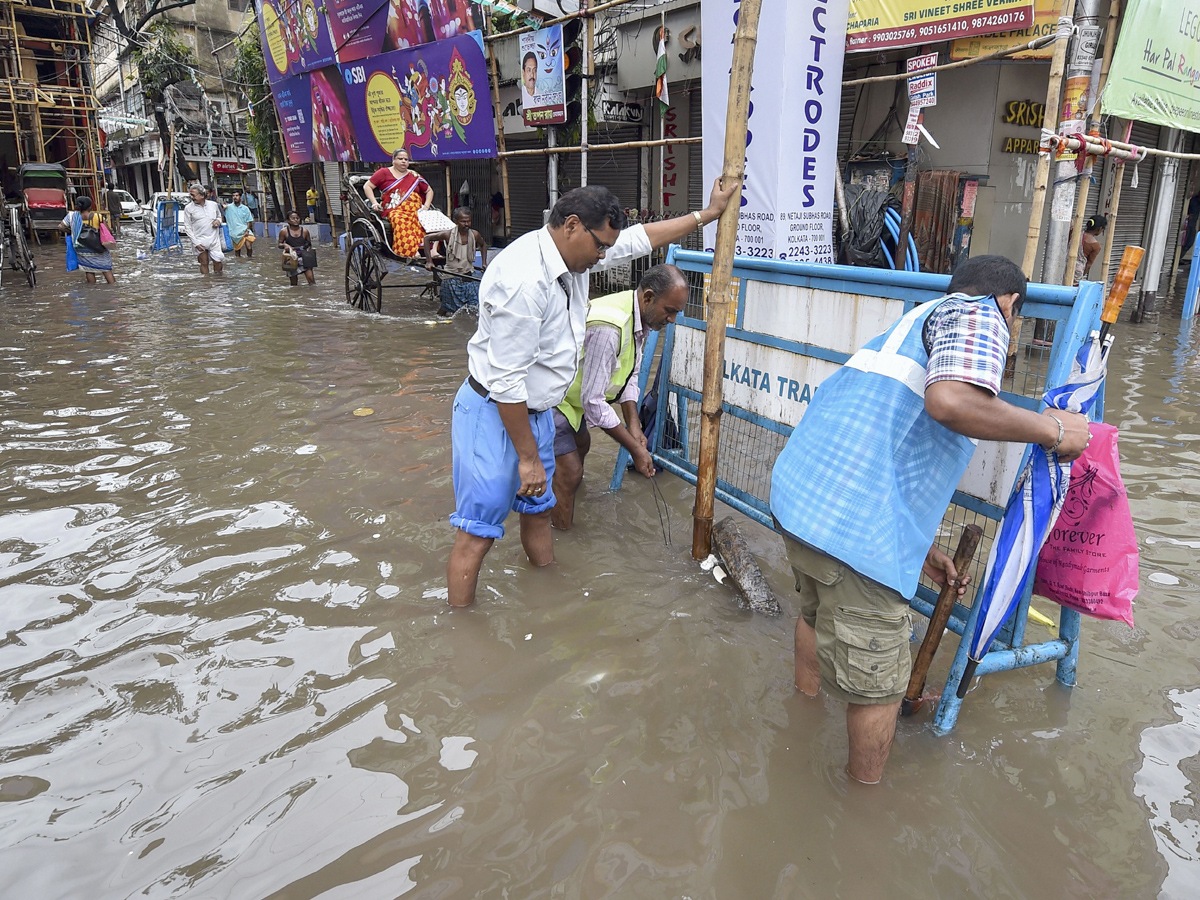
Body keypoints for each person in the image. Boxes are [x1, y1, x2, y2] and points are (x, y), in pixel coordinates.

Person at [768, 255, 1091, 786]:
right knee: (880, 687)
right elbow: (949, 402)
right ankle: (862, 811)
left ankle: (800, 720)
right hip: (851, 529)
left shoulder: (915, 321)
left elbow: (876, 442)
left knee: (814, 613)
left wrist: (918, 550)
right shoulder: (982, 313)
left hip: (802, 501)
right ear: (1010, 305)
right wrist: (1052, 431)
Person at [446, 178, 738, 608]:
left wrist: (705, 216)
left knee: (539, 510)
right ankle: (462, 634)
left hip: (539, 412)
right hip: (494, 411)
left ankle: (549, 595)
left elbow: (637, 240)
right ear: (572, 226)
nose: (604, 256)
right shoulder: (525, 279)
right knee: (478, 534)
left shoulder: (574, 256)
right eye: (600, 246)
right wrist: (527, 457)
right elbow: (506, 381)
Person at [550, 264, 689, 530]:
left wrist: (634, 426)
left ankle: (562, 501)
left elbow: (629, 375)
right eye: (670, 311)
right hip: (556, 399)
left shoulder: (639, 317)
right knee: (570, 471)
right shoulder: (610, 328)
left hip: (574, 401)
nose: (672, 320)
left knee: (581, 446)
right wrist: (635, 449)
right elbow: (594, 402)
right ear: (648, 297)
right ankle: (563, 535)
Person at [363, 148, 433, 258]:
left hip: (416, 209)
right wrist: (374, 203)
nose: (404, 161)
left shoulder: (414, 175)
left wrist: (426, 206)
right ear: (393, 160)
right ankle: (412, 252)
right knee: (400, 221)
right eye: (400, 159)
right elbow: (367, 186)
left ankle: (432, 250)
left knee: (432, 219)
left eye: (406, 159)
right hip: (395, 209)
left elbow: (429, 190)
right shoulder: (384, 172)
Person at [423, 206, 487, 316]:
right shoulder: (448, 234)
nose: (466, 224)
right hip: (451, 277)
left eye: (468, 221)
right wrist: (429, 261)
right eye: (463, 221)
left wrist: (484, 263)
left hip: (468, 276)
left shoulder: (474, 234)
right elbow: (427, 238)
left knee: (475, 306)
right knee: (445, 308)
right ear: (455, 221)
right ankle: (437, 322)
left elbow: (483, 245)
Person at [60, 195, 115, 284]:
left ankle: (92, 291)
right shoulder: (98, 216)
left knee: (88, 269)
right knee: (106, 268)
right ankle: (113, 289)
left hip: (81, 248)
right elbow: (108, 232)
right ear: (90, 206)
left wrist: (73, 231)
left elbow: (61, 227)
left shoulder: (71, 216)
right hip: (98, 248)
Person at [181, 183, 225, 274]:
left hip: (214, 239)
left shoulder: (213, 205)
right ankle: (206, 284)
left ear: (202, 195)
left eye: (193, 195)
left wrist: (218, 221)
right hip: (199, 240)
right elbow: (188, 227)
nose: (191, 197)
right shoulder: (188, 208)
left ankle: (219, 282)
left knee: (218, 261)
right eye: (190, 195)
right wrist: (195, 243)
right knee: (204, 263)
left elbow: (219, 217)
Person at [278, 210, 315, 286]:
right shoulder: (284, 231)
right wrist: (285, 246)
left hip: (304, 256)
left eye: (297, 218)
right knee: (294, 283)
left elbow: (309, 244)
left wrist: (307, 252)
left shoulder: (304, 231)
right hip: (291, 257)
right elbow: (279, 244)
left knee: (311, 279)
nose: (295, 220)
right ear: (288, 220)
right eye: (293, 218)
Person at [1074, 214, 1107, 285]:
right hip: (1076, 273)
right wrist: (1081, 274)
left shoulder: (1075, 234)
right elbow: (1088, 265)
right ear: (1100, 229)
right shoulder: (1095, 245)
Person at [224, 190, 256, 258]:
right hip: (234, 233)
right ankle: (238, 262)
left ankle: (250, 260)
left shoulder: (245, 208)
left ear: (240, 197)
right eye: (233, 196)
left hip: (245, 231)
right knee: (237, 251)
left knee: (249, 246)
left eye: (237, 195)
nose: (235, 197)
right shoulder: (228, 208)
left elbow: (249, 221)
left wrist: (247, 230)